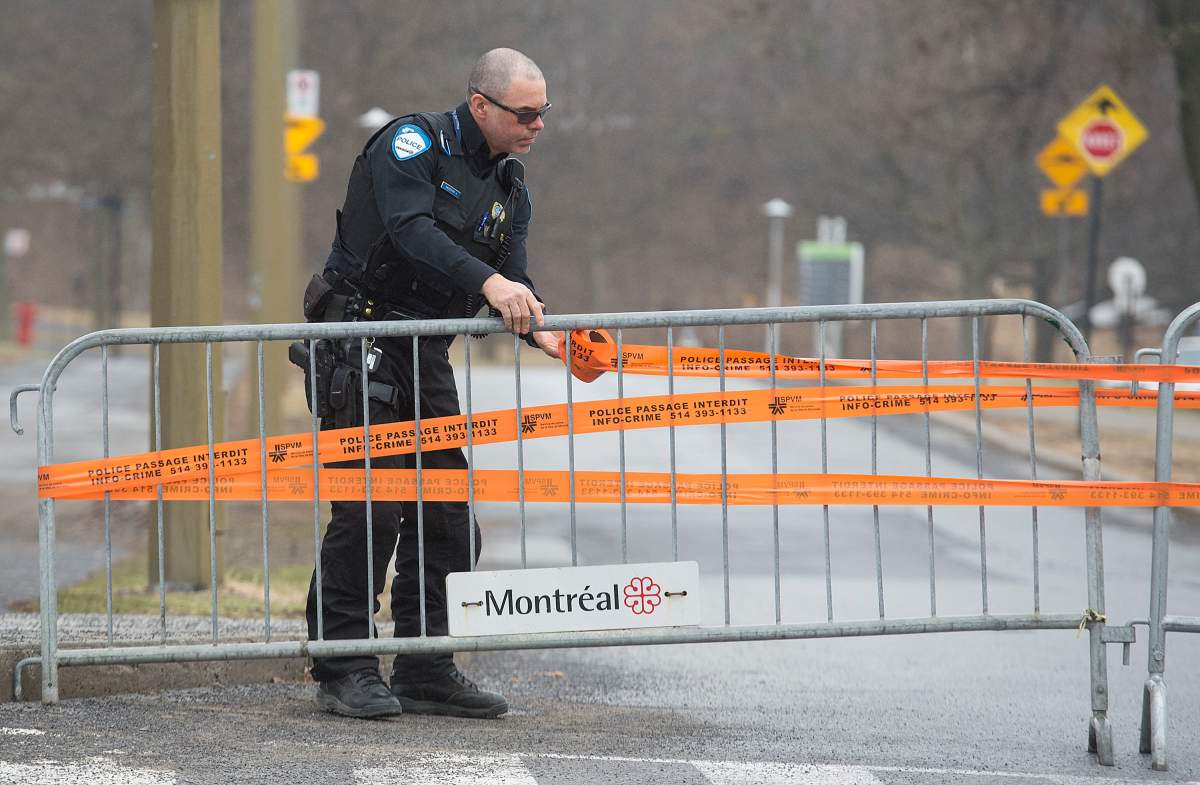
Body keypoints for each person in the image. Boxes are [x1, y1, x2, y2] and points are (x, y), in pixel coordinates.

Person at [297, 48, 559, 719]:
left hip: (424, 350)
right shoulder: (411, 144)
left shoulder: (510, 189)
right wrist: (489, 282)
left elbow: (515, 279)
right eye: (525, 113)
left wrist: (544, 328)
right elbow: (410, 231)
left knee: (446, 511)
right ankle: (344, 666)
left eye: (543, 114)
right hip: (359, 337)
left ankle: (425, 665)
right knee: (370, 507)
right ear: (481, 105)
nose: (536, 125)